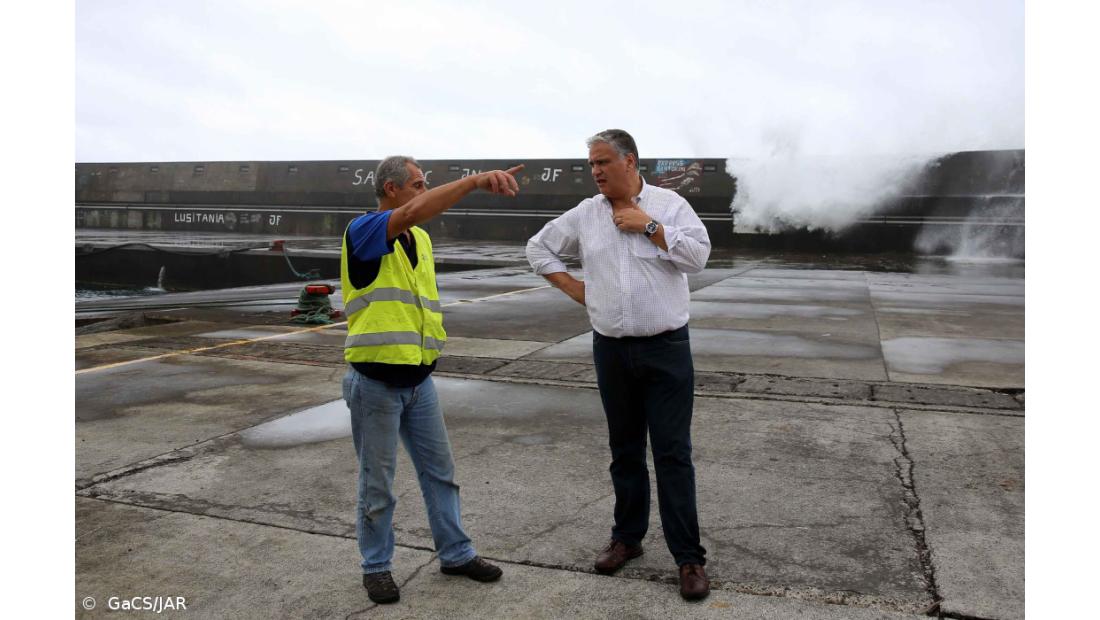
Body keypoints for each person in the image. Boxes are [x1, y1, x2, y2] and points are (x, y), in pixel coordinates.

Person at [525, 130, 712, 600]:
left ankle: (688, 558)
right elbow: (537, 249)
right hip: (611, 349)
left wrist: (651, 227)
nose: (597, 172)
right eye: (592, 164)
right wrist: (576, 290)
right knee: (624, 451)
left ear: (630, 161)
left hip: (666, 348)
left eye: (604, 162)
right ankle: (627, 540)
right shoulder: (587, 214)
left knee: (672, 454)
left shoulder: (669, 205)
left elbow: (700, 257)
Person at [342, 156, 523, 604]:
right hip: (375, 383)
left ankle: (456, 553)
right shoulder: (364, 229)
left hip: (419, 382)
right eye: (418, 185)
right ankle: (377, 566)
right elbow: (406, 216)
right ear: (390, 189)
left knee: (440, 473)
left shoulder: (419, 239)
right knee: (377, 482)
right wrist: (476, 181)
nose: (424, 192)